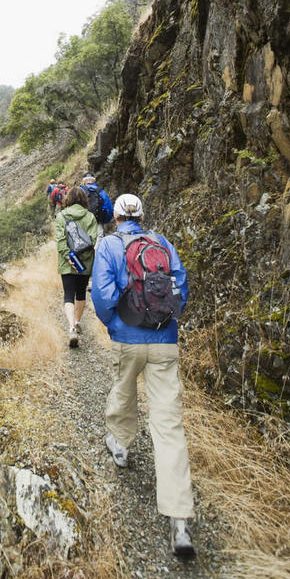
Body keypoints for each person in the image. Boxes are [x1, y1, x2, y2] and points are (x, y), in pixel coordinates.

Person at [91, 193, 195, 557]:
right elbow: (181, 288)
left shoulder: (107, 245)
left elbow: (102, 297)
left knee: (124, 389)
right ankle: (179, 521)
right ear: (142, 215)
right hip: (165, 340)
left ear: (116, 217)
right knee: (169, 424)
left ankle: (120, 446)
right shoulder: (162, 243)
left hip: (127, 338)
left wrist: (115, 326)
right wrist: (166, 320)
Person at [55, 186, 98, 348]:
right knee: (81, 294)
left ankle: (71, 327)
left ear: (68, 199)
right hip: (85, 264)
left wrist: (69, 257)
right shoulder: (90, 217)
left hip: (67, 264)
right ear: (84, 200)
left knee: (68, 295)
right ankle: (78, 321)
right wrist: (83, 258)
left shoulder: (61, 216)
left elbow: (60, 241)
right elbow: (92, 241)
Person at [79, 172, 113, 240]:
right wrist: (105, 220)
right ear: (94, 180)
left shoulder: (80, 191)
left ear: (84, 180)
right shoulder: (101, 191)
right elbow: (109, 208)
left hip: (82, 222)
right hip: (98, 222)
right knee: (99, 242)